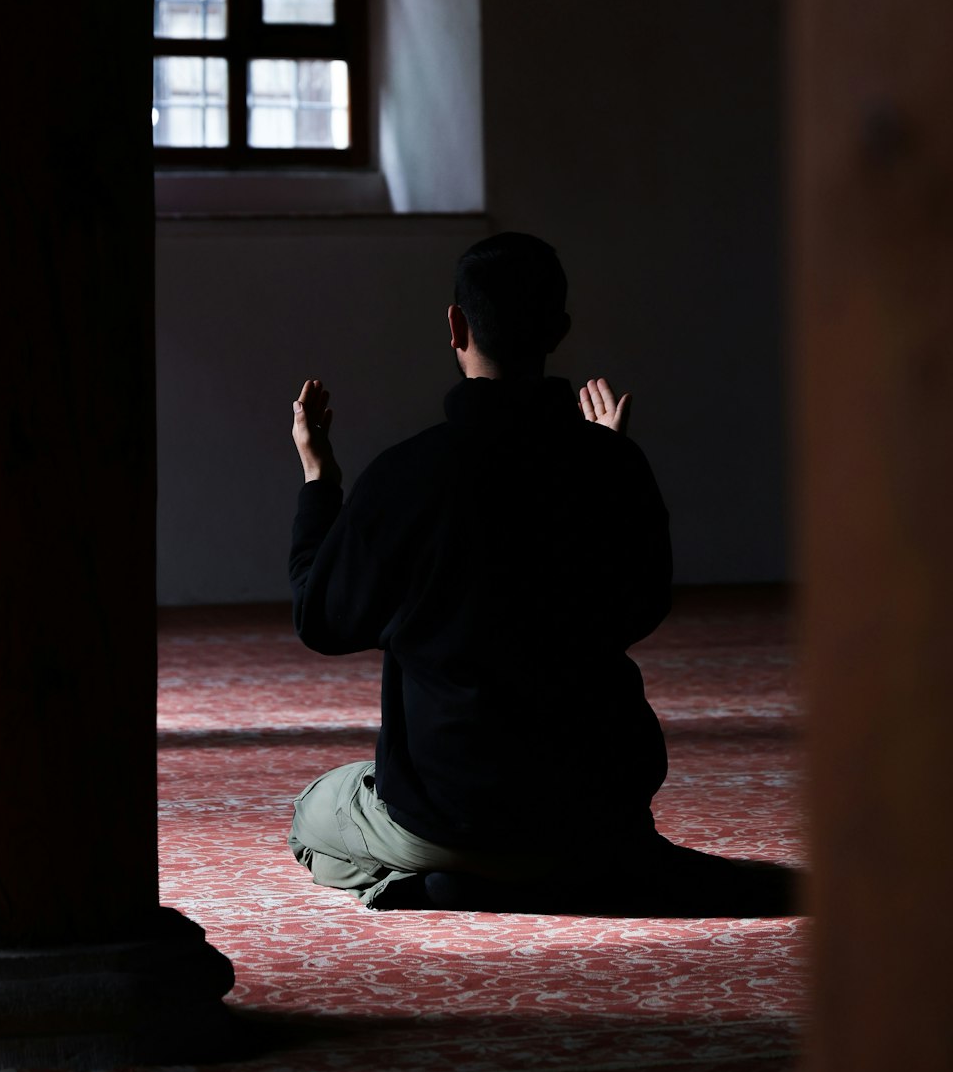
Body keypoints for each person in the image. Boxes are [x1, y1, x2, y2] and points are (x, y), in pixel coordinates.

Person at [287, 232, 797, 915]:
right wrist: (612, 465)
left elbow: (321, 621)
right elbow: (640, 606)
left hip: (453, 812)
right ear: (558, 329)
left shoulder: (407, 476)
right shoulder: (613, 468)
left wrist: (320, 480)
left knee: (314, 814)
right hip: (597, 806)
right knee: (575, 837)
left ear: (455, 325)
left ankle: (461, 878)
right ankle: (551, 872)